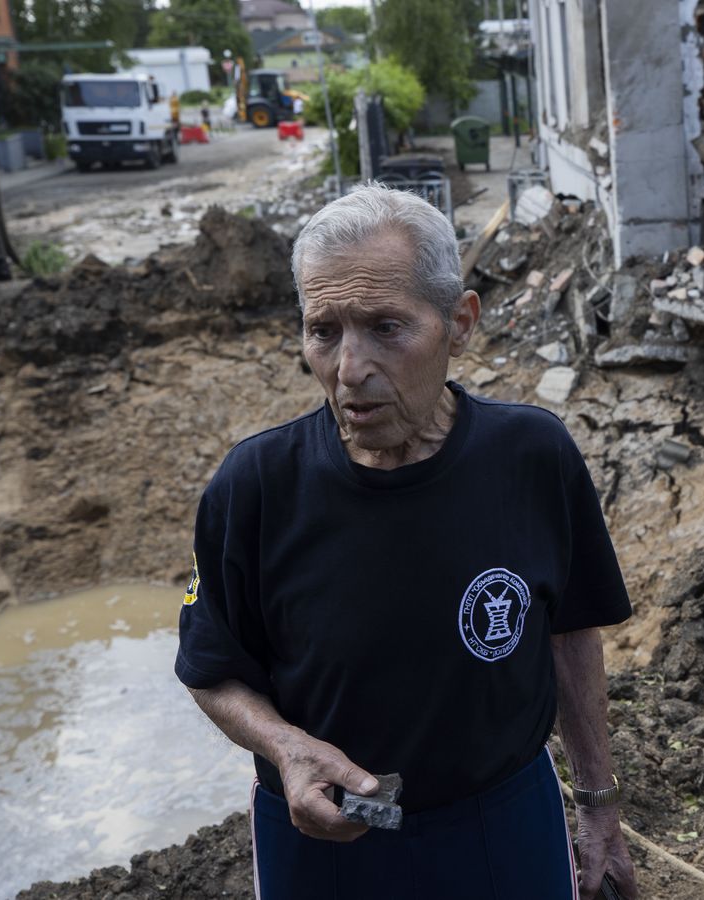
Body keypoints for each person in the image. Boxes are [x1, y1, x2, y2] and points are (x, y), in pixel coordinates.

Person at [175, 182, 639, 899]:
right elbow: (212, 670)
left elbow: (572, 631)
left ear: (459, 323)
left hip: (501, 825)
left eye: (386, 327)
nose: (349, 368)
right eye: (323, 331)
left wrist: (598, 806)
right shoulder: (255, 487)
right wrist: (287, 749)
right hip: (325, 840)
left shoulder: (532, 457)